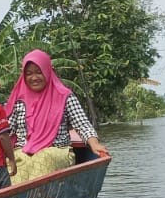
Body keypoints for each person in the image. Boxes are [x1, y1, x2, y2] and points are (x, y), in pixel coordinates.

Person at [6, 49, 107, 181]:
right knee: (12, 165)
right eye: (29, 73)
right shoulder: (18, 100)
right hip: (23, 152)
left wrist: (94, 144)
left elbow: (82, 124)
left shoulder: (64, 96)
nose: (34, 78)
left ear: (47, 71)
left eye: (38, 72)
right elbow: (6, 131)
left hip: (57, 150)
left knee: (44, 159)